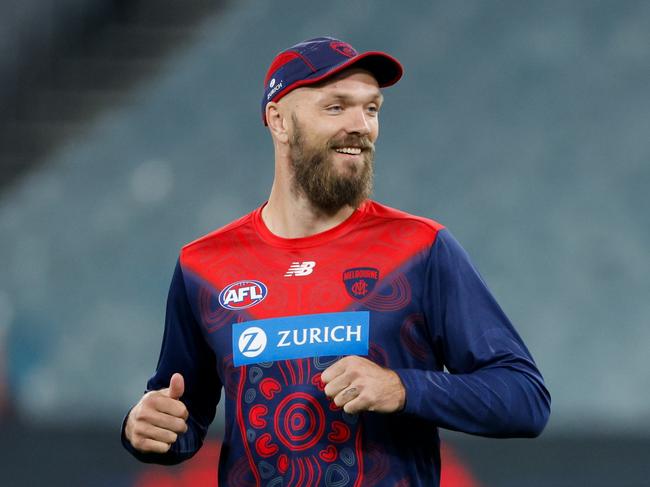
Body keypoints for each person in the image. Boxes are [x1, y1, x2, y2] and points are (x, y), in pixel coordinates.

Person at [122, 36, 551, 486]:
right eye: (336, 107)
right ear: (278, 121)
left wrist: (402, 388)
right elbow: (182, 421)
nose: (361, 125)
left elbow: (524, 398)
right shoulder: (204, 265)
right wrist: (145, 428)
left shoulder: (420, 249)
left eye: (371, 108)